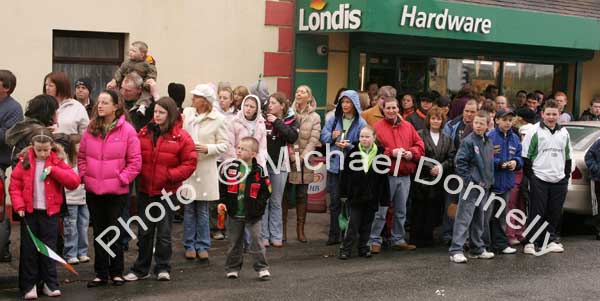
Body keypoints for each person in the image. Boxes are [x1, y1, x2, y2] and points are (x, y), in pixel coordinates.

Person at [124, 97, 197, 282]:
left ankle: (163, 267)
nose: (157, 115)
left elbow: (190, 162)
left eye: (161, 112)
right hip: (145, 191)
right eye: (155, 111)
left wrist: (170, 175)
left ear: (170, 114)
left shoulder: (182, 137)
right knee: (144, 232)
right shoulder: (143, 133)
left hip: (168, 193)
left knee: (164, 233)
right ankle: (141, 268)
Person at [79, 89, 142, 287]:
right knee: (98, 233)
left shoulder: (127, 130)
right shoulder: (91, 128)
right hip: (93, 191)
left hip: (117, 192)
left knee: (114, 232)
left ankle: (116, 272)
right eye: (99, 102)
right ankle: (100, 274)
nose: (100, 105)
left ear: (116, 106)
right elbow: (81, 157)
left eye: (105, 102)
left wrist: (122, 179)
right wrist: (84, 176)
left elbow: (135, 162)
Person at [10, 129, 80, 299]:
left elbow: (74, 182)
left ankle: (50, 284)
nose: (42, 153)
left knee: (49, 249)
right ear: (32, 147)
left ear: (52, 147)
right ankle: (29, 286)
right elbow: (15, 185)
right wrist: (18, 205)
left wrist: (54, 171)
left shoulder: (57, 161)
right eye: (38, 150)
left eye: (46, 150)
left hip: (50, 213)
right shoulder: (24, 162)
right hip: (29, 212)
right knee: (29, 250)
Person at [369, 96, 424, 253]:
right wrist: (390, 152)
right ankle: (374, 240)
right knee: (381, 210)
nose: (391, 111)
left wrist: (411, 153)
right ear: (383, 109)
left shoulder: (408, 126)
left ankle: (397, 239)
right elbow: (372, 149)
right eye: (388, 108)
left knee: (401, 210)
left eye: (394, 108)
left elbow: (420, 145)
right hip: (386, 175)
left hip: (405, 175)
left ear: (398, 109)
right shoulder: (377, 127)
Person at [181, 84, 229, 261]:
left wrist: (207, 148)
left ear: (205, 101)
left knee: (202, 210)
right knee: (188, 209)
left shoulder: (218, 119)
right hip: (188, 169)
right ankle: (189, 245)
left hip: (205, 169)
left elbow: (225, 144)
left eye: (196, 96)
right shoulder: (188, 114)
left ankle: (202, 245)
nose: (192, 99)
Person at [521, 99, 572, 255]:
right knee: (537, 212)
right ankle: (530, 242)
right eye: (548, 114)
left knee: (554, 212)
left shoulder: (564, 132)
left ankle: (548, 241)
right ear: (542, 114)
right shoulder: (534, 131)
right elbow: (526, 157)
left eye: (554, 114)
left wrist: (565, 177)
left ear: (559, 115)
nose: (551, 117)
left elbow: (568, 156)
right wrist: (532, 178)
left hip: (559, 179)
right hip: (539, 178)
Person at [221, 137, 271, 280]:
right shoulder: (231, 168)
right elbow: (223, 188)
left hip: (253, 215)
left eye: (243, 149)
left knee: (256, 240)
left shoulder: (259, 171)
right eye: (238, 148)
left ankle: (262, 268)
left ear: (253, 154)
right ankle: (232, 268)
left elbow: (266, 191)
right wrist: (223, 202)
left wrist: (259, 207)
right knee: (234, 242)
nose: (239, 151)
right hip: (234, 213)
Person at [321, 90, 367, 245]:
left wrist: (350, 145)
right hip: (335, 165)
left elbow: (364, 143)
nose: (345, 105)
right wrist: (333, 138)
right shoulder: (333, 119)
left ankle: (348, 234)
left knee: (349, 201)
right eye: (343, 102)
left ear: (354, 104)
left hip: (351, 167)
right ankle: (333, 234)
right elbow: (323, 137)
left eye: (348, 102)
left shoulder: (361, 122)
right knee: (334, 201)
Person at [449, 110, 495, 263]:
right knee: (464, 218)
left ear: (488, 125)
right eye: (476, 123)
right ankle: (456, 249)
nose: (478, 126)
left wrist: (488, 182)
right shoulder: (468, 141)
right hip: (471, 186)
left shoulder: (487, 141)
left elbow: (488, 164)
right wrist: (469, 181)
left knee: (479, 219)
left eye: (482, 123)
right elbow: (460, 162)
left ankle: (477, 248)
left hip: (484, 187)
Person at [338, 126, 390, 259]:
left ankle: (363, 247)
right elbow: (345, 175)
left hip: (372, 196)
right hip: (355, 196)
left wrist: (384, 198)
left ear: (374, 138)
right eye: (362, 137)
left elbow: (384, 179)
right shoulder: (352, 153)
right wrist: (343, 194)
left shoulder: (380, 155)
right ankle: (346, 249)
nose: (364, 139)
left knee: (367, 224)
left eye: (367, 137)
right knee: (353, 224)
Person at [410, 107, 453, 247]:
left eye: (438, 119)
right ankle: (416, 238)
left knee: (433, 209)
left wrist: (441, 167)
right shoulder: (419, 134)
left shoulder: (448, 139)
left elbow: (452, 158)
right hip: (421, 178)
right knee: (419, 208)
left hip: (439, 179)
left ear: (442, 121)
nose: (436, 121)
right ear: (428, 120)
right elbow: (416, 154)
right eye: (433, 118)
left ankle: (429, 238)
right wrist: (430, 167)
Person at [283, 85, 321, 243]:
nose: (299, 93)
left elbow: (314, 139)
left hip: (305, 160)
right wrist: (292, 155)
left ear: (309, 97)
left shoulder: (315, 117)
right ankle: (282, 231)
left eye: (303, 92)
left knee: (301, 195)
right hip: (288, 157)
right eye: (297, 91)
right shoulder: (288, 113)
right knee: (285, 195)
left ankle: (300, 230)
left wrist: (303, 156)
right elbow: (285, 135)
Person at [262, 93, 299, 247]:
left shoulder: (291, 120)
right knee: (264, 201)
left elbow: (292, 137)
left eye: (274, 103)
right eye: (269, 102)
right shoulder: (263, 120)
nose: (270, 105)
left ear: (282, 106)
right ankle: (263, 236)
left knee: (276, 201)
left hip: (280, 164)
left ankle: (276, 236)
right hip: (265, 163)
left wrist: (276, 121)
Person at [486, 109, 522, 255]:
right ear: (496, 120)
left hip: (506, 183)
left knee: (501, 216)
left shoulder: (515, 138)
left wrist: (515, 162)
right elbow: (485, 157)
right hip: (491, 183)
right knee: (486, 216)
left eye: (510, 120)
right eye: (504, 119)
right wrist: (499, 163)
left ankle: (500, 244)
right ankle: (484, 245)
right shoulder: (490, 136)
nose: (507, 122)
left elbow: (520, 156)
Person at [442, 99, 477, 243]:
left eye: (472, 112)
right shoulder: (452, 125)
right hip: (454, 171)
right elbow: (446, 146)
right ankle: (449, 235)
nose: (469, 114)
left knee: (468, 206)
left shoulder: (481, 126)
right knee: (452, 203)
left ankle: (466, 237)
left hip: (473, 173)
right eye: (466, 111)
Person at [56, 134, 90, 265]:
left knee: (83, 226)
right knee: (71, 227)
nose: (81, 147)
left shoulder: (85, 159)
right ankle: (70, 253)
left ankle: (82, 252)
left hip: (83, 198)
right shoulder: (65, 161)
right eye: (78, 144)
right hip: (70, 199)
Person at [0, 69, 22, 263]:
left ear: (5, 87)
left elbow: (9, 137)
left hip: (0, 163)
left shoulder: (14, 108)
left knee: (0, 210)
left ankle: (3, 248)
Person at [44, 72, 90, 144]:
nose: (47, 88)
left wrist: (68, 139)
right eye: (46, 85)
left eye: (51, 85)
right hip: (45, 152)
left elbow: (86, 135)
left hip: (69, 152)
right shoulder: (43, 105)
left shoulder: (77, 107)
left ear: (61, 87)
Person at [107, 41, 158, 105]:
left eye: (134, 51)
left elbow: (151, 76)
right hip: (127, 86)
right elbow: (120, 71)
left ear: (142, 54)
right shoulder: (127, 62)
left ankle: (142, 107)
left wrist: (144, 84)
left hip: (141, 88)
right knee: (118, 94)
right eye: (130, 50)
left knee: (146, 96)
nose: (130, 53)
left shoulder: (148, 65)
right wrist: (115, 80)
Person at [228, 95, 268, 169]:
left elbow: (262, 147)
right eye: (246, 105)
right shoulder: (234, 122)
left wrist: (260, 164)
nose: (248, 108)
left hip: (254, 164)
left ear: (257, 109)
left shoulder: (261, 123)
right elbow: (230, 145)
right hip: (237, 162)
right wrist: (235, 162)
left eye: (252, 107)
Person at [585, 137, 600, 240]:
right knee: (598, 206)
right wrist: (597, 170)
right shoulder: (598, 143)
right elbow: (588, 156)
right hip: (598, 180)